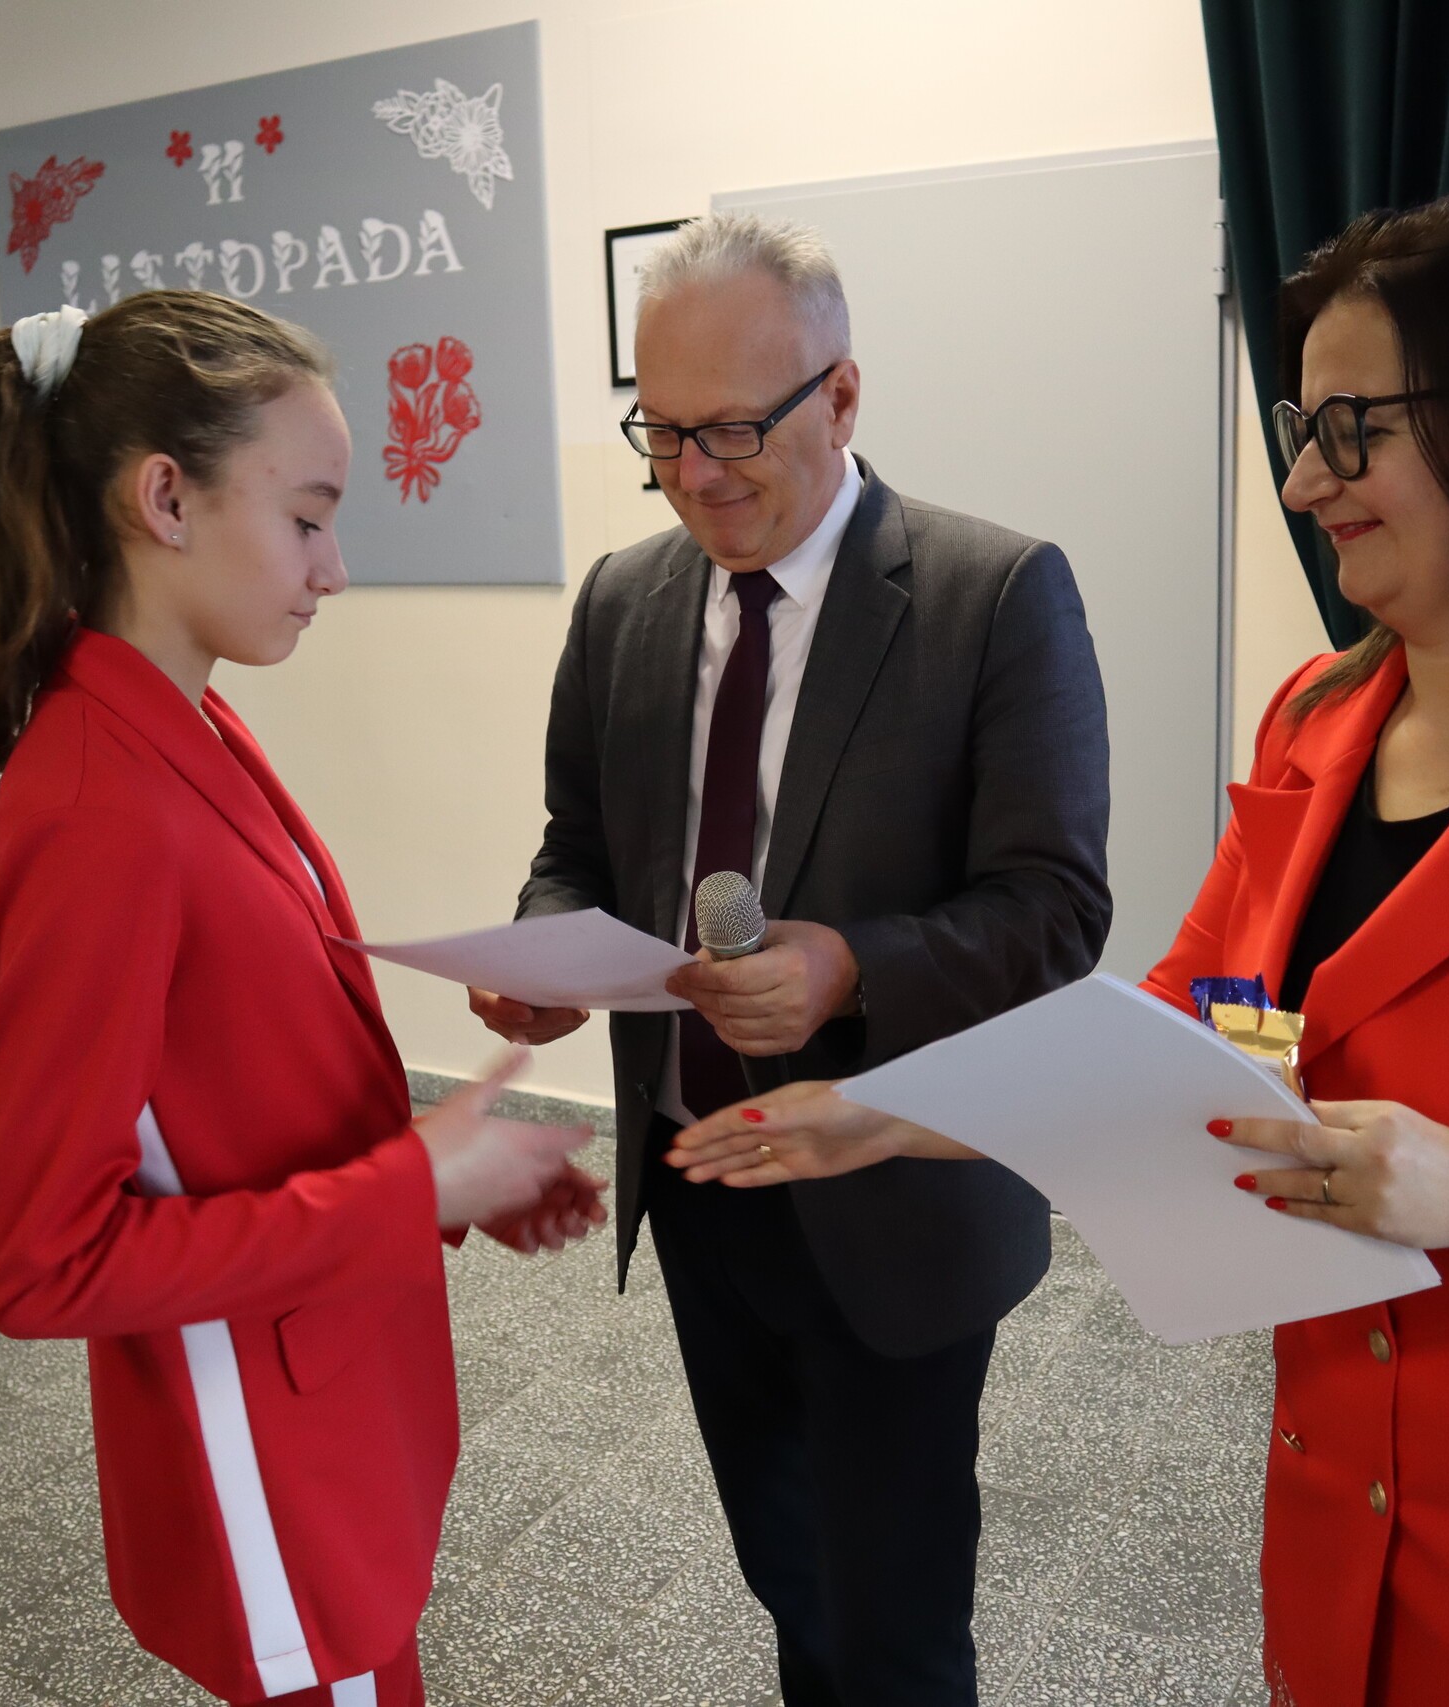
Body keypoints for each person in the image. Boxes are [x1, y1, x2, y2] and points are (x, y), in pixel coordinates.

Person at [664, 198, 1449, 1707]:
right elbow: (1168, 1034)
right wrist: (888, 1112)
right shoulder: (1317, 720)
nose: (1299, 480)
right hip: (1348, 1469)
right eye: (1300, 428)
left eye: (1350, 430)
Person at [0, 290, 602, 1707]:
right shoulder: (93, 808)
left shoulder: (188, 721)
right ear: (165, 498)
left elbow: (239, 1081)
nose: (334, 568)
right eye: (307, 518)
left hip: (328, 1395)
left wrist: (445, 1174)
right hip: (260, 1461)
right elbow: (44, 1262)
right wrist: (409, 1184)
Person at [473, 212, 1111, 1705]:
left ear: (842, 394)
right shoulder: (623, 600)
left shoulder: (994, 594)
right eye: (661, 431)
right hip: (700, 1180)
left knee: (896, 1627)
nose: (696, 473)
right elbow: (579, 844)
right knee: (789, 1577)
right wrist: (542, 949)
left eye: (736, 429)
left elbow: (1054, 911)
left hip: (894, 1193)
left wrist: (852, 968)